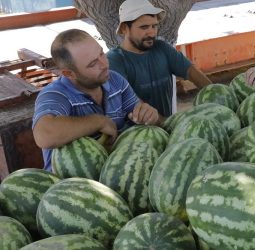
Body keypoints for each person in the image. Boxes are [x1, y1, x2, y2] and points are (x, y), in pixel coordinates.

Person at [32, 29, 161, 171]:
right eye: (93, 64)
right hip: (69, 186)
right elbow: (44, 134)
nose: (104, 64)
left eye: (101, 53)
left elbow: (140, 112)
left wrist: (149, 115)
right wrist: (98, 121)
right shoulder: (55, 94)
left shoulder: (115, 80)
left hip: (112, 173)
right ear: (69, 73)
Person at [107, 0, 212, 117]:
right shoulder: (115, 60)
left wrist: (216, 92)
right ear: (124, 29)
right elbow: (133, 104)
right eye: (144, 27)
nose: (151, 32)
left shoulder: (162, 48)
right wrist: (167, 125)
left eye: (154, 26)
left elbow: (191, 72)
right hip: (138, 132)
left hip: (165, 129)